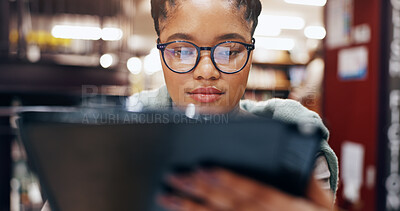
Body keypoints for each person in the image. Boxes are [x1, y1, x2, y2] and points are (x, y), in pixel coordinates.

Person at [41, 0, 338, 210]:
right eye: (181, 50)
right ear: (161, 53)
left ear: (250, 53)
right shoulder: (110, 140)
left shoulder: (295, 152)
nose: (206, 71)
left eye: (230, 50)